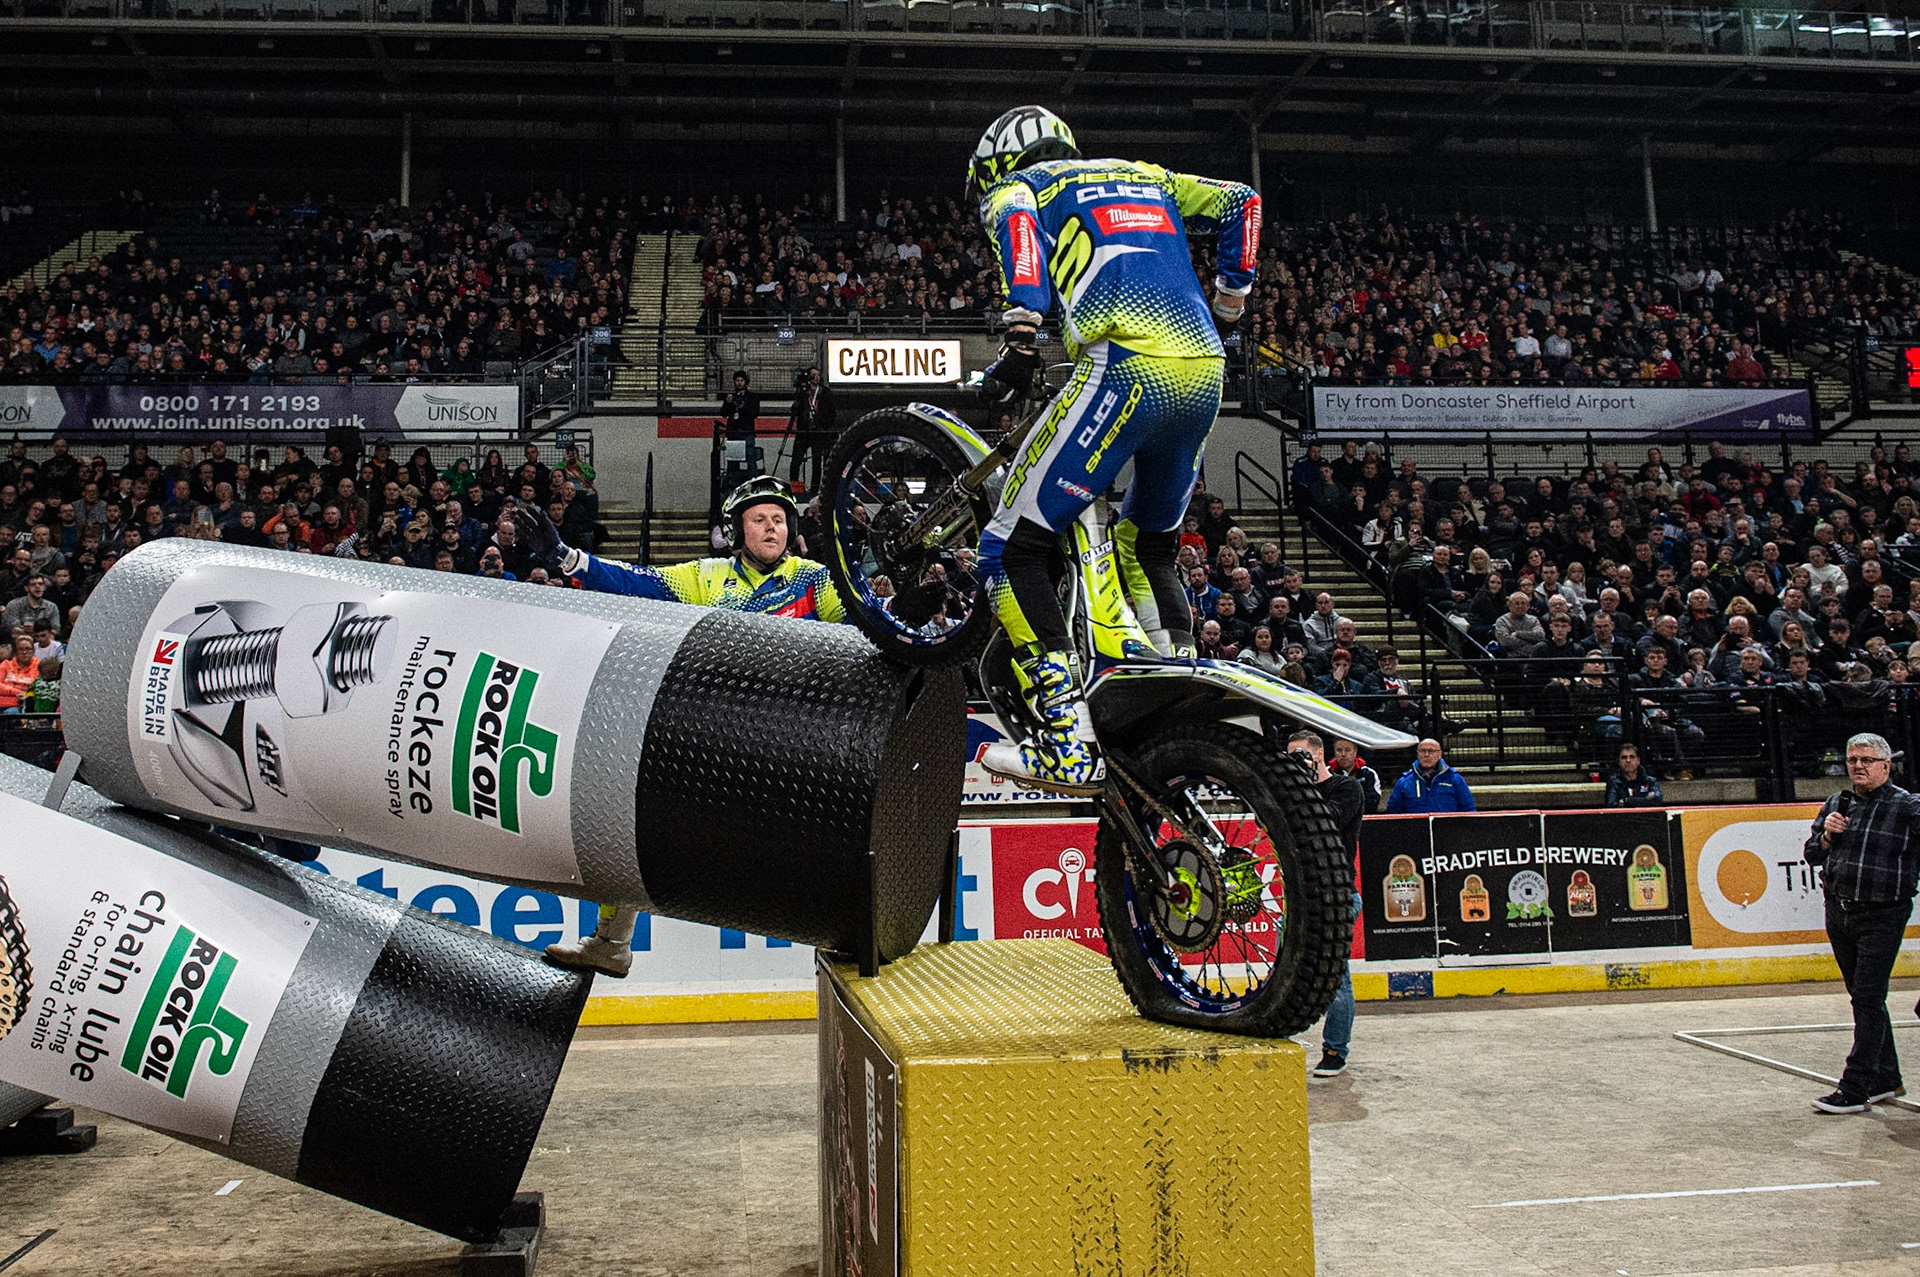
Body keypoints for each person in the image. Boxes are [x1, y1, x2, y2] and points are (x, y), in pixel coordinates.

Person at [965, 105, 1260, 791]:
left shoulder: (1021, 188)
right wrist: (1230, 304)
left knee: (1010, 549)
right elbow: (1244, 202)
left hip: (1125, 365)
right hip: (1204, 367)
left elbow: (1018, 237)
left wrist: (1019, 332)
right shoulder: (1144, 174)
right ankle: (1179, 703)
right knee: (1148, 545)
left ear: (1001, 162)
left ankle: (1063, 742)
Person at [521, 476, 844, 977]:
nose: (771, 528)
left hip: (791, 744)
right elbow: (635, 582)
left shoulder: (816, 579)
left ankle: (849, 939)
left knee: (826, 843)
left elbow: (860, 623)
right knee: (624, 822)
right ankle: (611, 943)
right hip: (712, 739)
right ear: (737, 528)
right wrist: (568, 557)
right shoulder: (705, 576)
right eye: (759, 519)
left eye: (779, 520)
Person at [1801, 733, 1920, 1114]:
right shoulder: (1839, 802)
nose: (1858, 766)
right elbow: (1810, 854)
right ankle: (1885, 1078)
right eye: (1853, 760)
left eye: (1867, 760)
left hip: (1883, 913)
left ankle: (1855, 1087)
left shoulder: (1907, 807)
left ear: (1886, 765)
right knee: (1864, 999)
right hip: (1839, 910)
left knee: (1867, 999)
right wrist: (1825, 837)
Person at [1285, 730, 1363, 1080]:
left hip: (1337, 895)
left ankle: (1335, 1050)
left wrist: (1299, 788)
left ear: (1318, 755)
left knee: (1335, 979)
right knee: (1283, 971)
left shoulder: (1346, 788)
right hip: (1298, 897)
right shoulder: (1291, 793)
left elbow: (1326, 822)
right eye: (1290, 757)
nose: (1295, 762)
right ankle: (1279, 1035)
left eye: (1300, 755)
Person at [1386, 738, 1476, 813]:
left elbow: (1468, 808)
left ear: (1440, 754)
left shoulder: (1454, 779)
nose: (1426, 755)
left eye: (1431, 751)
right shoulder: (1404, 782)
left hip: (1448, 831)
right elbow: (1394, 811)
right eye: (1422, 751)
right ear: (1417, 754)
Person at [787, 365, 837, 494]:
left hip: (818, 431)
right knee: (796, 461)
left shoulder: (825, 392)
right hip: (803, 431)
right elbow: (795, 410)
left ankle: (815, 489)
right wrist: (801, 392)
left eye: (818, 375)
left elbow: (832, 412)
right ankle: (794, 487)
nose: (816, 377)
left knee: (816, 462)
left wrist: (825, 425)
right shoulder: (803, 392)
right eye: (813, 375)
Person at [1605, 743, 1663, 807]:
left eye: (1632, 757)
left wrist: (1627, 800)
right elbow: (1612, 805)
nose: (1628, 760)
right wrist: (1645, 800)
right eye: (1624, 757)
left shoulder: (1650, 781)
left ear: (1638, 761)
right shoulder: (1614, 782)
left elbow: (1657, 799)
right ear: (1619, 762)